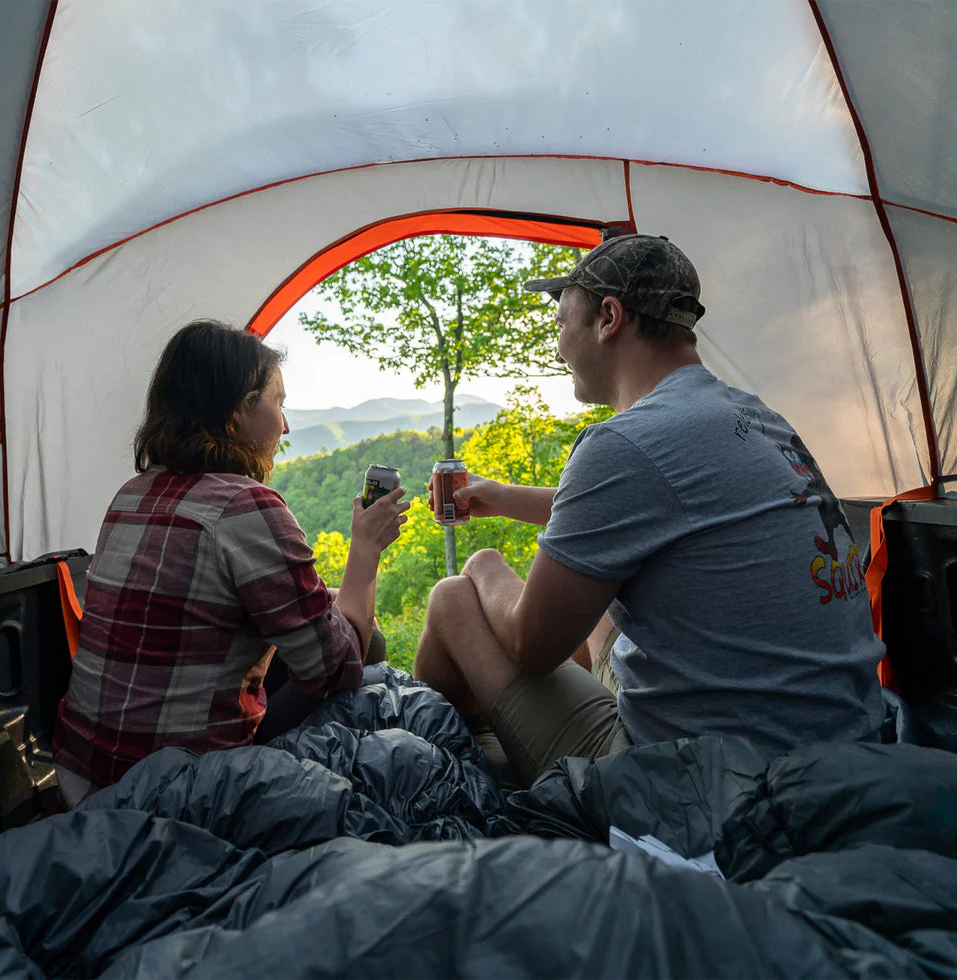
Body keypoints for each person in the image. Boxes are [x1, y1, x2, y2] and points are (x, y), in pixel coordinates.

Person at [413, 234, 885, 787]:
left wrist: (482, 568)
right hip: (842, 745)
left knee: (456, 595)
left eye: (563, 323)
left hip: (716, 785)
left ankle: (448, 774)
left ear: (609, 317)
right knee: (609, 594)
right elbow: (652, 516)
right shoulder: (754, 416)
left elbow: (531, 648)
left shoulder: (624, 443)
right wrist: (500, 496)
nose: (559, 346)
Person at [53, 319, 409, 805]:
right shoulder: (246, 506)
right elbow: (336, 667)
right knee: (367, 648)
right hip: (175, 789)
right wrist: (365, 552)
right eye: (278, 403)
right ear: (238, 413)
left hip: (82, 772)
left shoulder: (130, 496)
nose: (285, 425)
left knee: (318, 633)